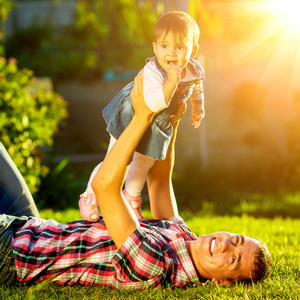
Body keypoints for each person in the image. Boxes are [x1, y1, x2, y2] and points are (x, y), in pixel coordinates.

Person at [0, 73, 272, 288]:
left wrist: (143, 116)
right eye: (235, 240)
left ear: (221, 282)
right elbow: (160, 181)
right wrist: (172, 113)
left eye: (233, 259)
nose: (225, 245)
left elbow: (105, 186)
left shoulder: (157, 265)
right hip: (34, 228)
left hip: (16, 255)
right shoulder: (183, 237)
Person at [79, 11, 205, 222]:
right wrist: (172, 81)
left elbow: (197, 86)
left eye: (180, 47)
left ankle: (132, 198)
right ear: (155, 48)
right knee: (118, 160)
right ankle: (90, 196)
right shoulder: (154, 70)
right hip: (132, 115)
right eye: (164, 46)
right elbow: (155, 103)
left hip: (159, 123)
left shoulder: (194, 69)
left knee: (145, 163)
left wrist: (197, 107)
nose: (171, 53)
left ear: (193, 51)